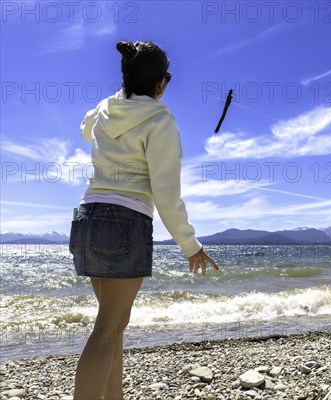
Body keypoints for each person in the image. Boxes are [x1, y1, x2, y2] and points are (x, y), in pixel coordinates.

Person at [69, 40, 219, 399]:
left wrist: (117, 101)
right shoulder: (160, 118)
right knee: (108, 328)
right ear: (161, 83)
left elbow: (85, 129)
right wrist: (190, 244)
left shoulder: (105, 108)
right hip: (125, 220)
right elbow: (166, 192)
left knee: (114, 326)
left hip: (88, 217)